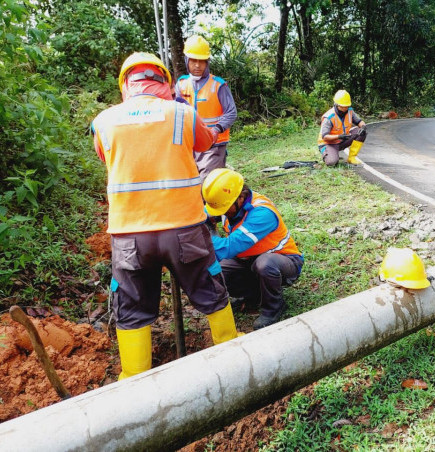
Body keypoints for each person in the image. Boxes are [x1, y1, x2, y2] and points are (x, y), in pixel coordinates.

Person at [91, 52, 240, 380]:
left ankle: (133, 375)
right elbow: (205, 142)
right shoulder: (181, 114)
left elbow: (105, 154)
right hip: (183, 228)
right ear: (166, 82)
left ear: (125, 84)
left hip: (130, 234)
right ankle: (230, 352)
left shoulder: (103, 121)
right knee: (209, 286)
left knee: (130, 305)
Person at [201, 168, 304, 330]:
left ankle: (273, 307)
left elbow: (227, 249)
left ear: (241, 198)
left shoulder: (261, 214)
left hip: (282, 260)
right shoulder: (226, 201)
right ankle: (254, 295)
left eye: (223, 210)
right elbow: (204, 214)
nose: (221, 214)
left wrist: (202, 238)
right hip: (247, 259)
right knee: (218, 271)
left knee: (264, 264)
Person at [175, 34, 237, 180]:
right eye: (193, 61)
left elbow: (231, 112)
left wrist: (216, 129)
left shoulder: (218, 85)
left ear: (207, 62)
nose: (197, 65)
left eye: (202, 61)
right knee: (189, 183)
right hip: (189, 145)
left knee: (207, 183)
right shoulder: (181, 85)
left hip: (213, 146)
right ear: (186, 61)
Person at [317, 89, 367, 166]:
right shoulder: (329, 117)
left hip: (342, 140)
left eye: (347, 106)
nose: (345, 109)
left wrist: (363, 127)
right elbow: (325, 137)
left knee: (361, 132)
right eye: (343, 106)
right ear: (336, 104)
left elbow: (359, 122)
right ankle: (328, 154)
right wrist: (339, 136)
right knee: (332, 162)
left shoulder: (350, 111)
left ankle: (352, 157)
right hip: (328, 143)